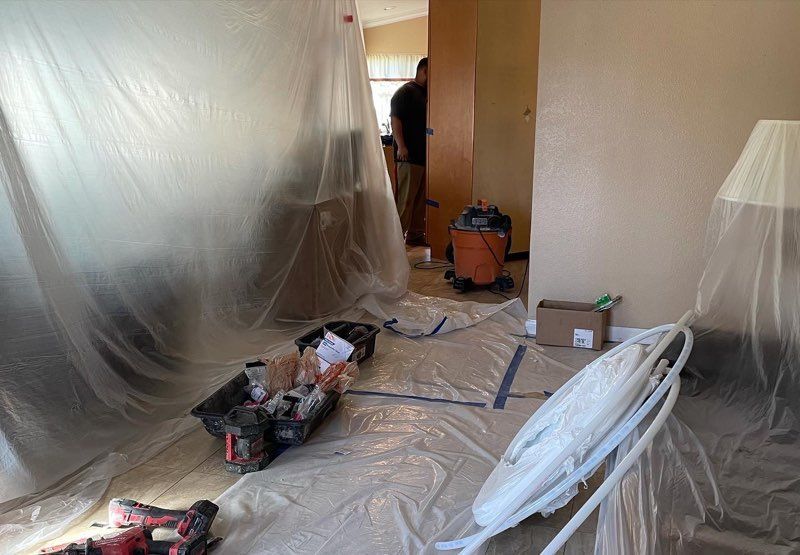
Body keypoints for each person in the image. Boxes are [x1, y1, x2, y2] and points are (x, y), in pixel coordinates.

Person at [390, 57, 427, 240]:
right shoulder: (405, 92)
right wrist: (401, 146)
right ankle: (394, 239)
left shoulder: (427, 93)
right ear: (424, 71)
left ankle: (415, 233)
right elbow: (395, 119)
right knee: (405, 200)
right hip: (407, 156)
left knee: (420, 201)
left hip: (424, 157)